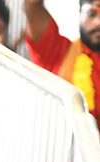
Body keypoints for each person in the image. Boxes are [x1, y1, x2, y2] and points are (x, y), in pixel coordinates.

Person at [24, 0, 100, 128]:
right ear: (79, 14)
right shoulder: (58, 52)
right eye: (91, 14)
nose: (98, 22)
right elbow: (32, 3)